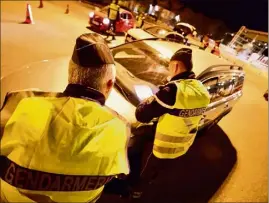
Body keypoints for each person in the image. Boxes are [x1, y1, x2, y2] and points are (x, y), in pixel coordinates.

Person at [0, 33, 130, 203]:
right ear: (110, 84)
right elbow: (117, 175)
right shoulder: (119, 128)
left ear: (71, 75)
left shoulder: (22, 105)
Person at [129, 48, 210, 199]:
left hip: (163, 145)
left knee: (142, 158)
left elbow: (142, 115)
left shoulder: (172, 90)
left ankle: (135, 190)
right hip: (183, 145)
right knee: (159, 169)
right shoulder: (203, 91)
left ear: (176, 66)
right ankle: (150, 182)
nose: (169, 70)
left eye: (170, 67)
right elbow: (181, 110)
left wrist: (149, 100)